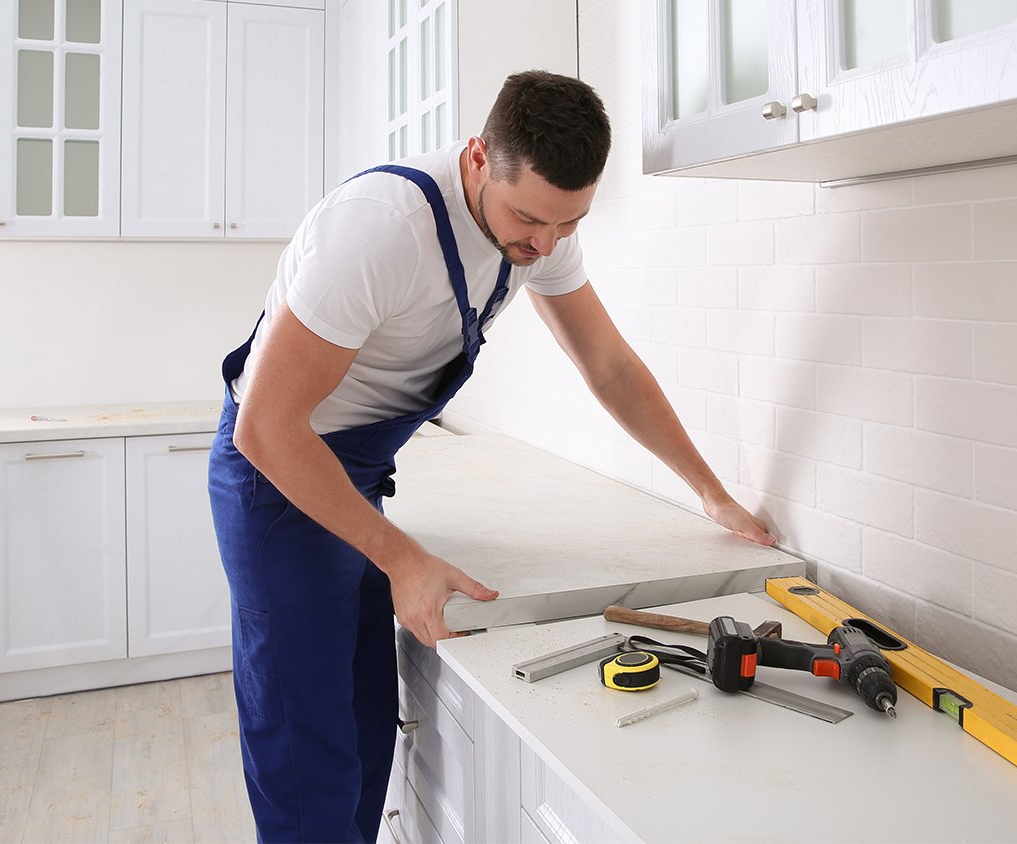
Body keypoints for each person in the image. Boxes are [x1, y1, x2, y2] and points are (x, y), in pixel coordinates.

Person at [207, 70, 775, 843]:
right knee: (306, 741)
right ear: (478, 158)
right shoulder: (379, 228)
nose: (544, 246)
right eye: (531, 219)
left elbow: (608, 364)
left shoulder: (538, 234)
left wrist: (710, 493)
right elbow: (267, 429)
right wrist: (402, 559)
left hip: (356, 477)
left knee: (366, 713)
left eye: (569, 225)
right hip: (279, 480)